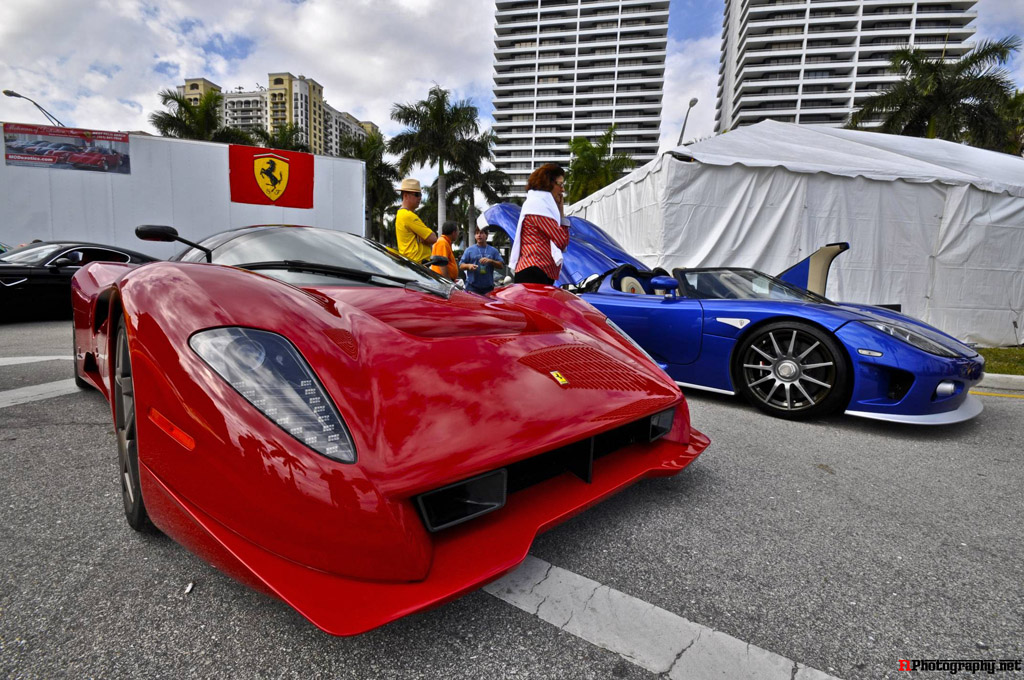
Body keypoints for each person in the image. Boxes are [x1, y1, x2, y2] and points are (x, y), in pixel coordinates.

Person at [509, 163, 569, 285]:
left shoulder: (536, 206)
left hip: (536, 270)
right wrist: (561, 213)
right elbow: (562, 241)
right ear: (548, 184)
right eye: (560, 184)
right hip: (535, 270)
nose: (562, 189)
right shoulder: (538, 207)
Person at [394, 178, 437, 263]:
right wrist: (424, 238)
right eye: (417, 194)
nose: (420, 198)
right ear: (405, 195)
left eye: (420, 194)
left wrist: (424, 238)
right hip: (417, 265)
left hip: (411, 263)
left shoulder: (401, 214)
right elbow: (433, 238)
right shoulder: (408, 216)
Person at [460, 228, 504, 295]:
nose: (479, 235)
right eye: (477, 233)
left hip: (488, 288)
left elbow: (501, 265)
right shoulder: (469, 250)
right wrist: (469, 266)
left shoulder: (493, 251)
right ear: (475, 236)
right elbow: (461, 265)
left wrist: (491, 261)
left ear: (486, 235)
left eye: (481, 233)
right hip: (472, 287)